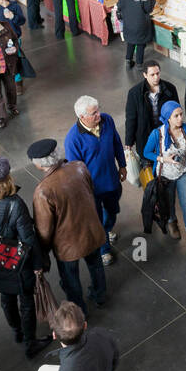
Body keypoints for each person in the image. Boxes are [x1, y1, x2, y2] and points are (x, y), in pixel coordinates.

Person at [0, 156, 49, 359]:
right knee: (27, 301)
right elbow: (28, 239)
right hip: (19, 262)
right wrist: (38, 265)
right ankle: (31, 342)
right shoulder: (15, 204)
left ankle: (17, 332)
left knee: (6, 298)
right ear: (7, 177)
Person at [30, 138, 108, 316]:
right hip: (92, 232)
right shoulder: (79, 167)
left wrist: (43, 253)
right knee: (96, 267)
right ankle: (100, 295)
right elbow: (91, 191)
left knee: (71, 280)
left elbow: (44, 229)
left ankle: (80, 312)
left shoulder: (43, 190)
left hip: (67, 246)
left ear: (39, 165)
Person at [64, 95, 128, 267]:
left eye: (98, 110)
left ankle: (106, 230)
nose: (99, 114)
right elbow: (75, 172)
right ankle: (104, 249)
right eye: (94, 113)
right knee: (97, 221)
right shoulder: (72, 139)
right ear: (82, 117)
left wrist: (122, 165)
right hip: (92, 190)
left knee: (112, 212)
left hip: (112, 181)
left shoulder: (107, 120)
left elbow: (116, 142)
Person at [142, 100, 186, 252]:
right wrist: (163, 159)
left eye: (181, 114)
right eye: (176, 116)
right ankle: (172, 222)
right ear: (167, 118)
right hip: (165, 176)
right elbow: (146, 152)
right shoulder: (157, 134)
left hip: (183, 172)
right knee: (168, 203)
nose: (180, 118)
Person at [125, 58, 180, 156]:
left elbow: (176, 111)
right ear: (145, 75)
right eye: (152, 75)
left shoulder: (170, 89)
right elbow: (131, 118)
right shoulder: (135, 93)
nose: (156, 77)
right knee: (148, 160)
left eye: (158, 73)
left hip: (165, 132)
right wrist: (129, 141)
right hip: (145, 134)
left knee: (167, 157)